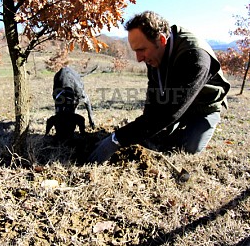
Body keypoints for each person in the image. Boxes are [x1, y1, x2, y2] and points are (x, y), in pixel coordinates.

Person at [88, 11, 230, 164]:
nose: (138, 58)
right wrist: (142, 128)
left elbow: (169, 112)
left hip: (204, 106)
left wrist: (117, 139)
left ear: (161, 40)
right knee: (151, 135)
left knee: (188, 148)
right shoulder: (154, 54)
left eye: (141, 50)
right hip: (175, 100)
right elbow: (154, 97)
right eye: (135, 51)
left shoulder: (195, 56)